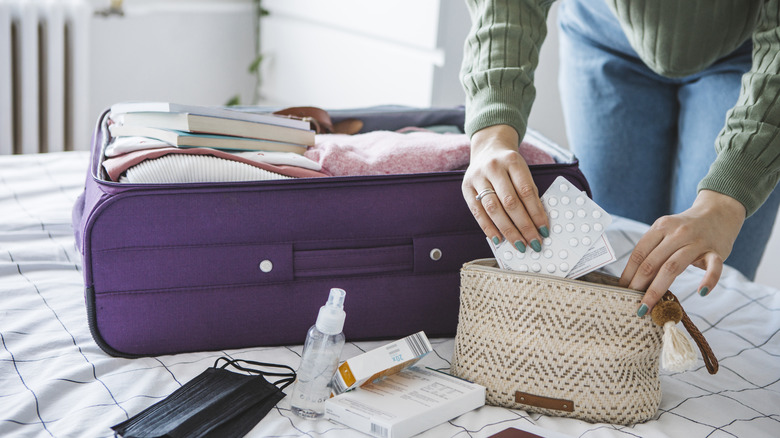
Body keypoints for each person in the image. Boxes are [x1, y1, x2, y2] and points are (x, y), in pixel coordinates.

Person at [460, 0, 780, 317]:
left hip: (752, 55)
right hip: (603, 36)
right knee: (612, 275)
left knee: (706, 298)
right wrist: (491, 132)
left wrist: (724, 203)